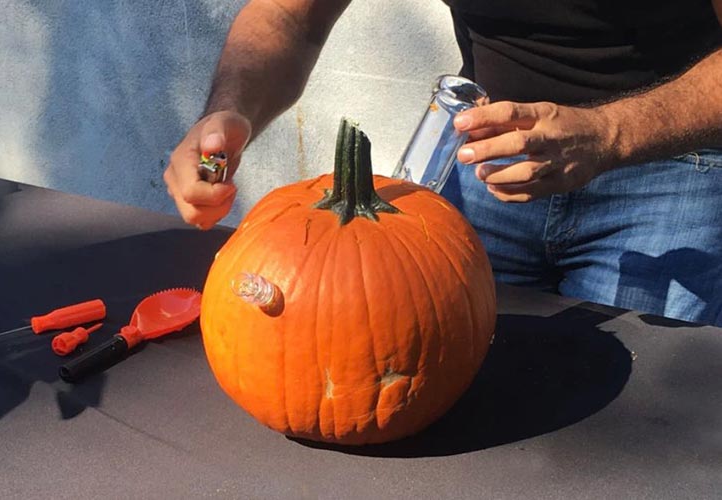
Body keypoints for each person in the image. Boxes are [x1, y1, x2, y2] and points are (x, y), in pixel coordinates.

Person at [163, 0, 722, 326]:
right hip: (484, 166)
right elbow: (290, 16)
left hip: (669, 170)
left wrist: (611, 134)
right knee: (428, 373)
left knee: (630, 425)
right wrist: (229, 111)